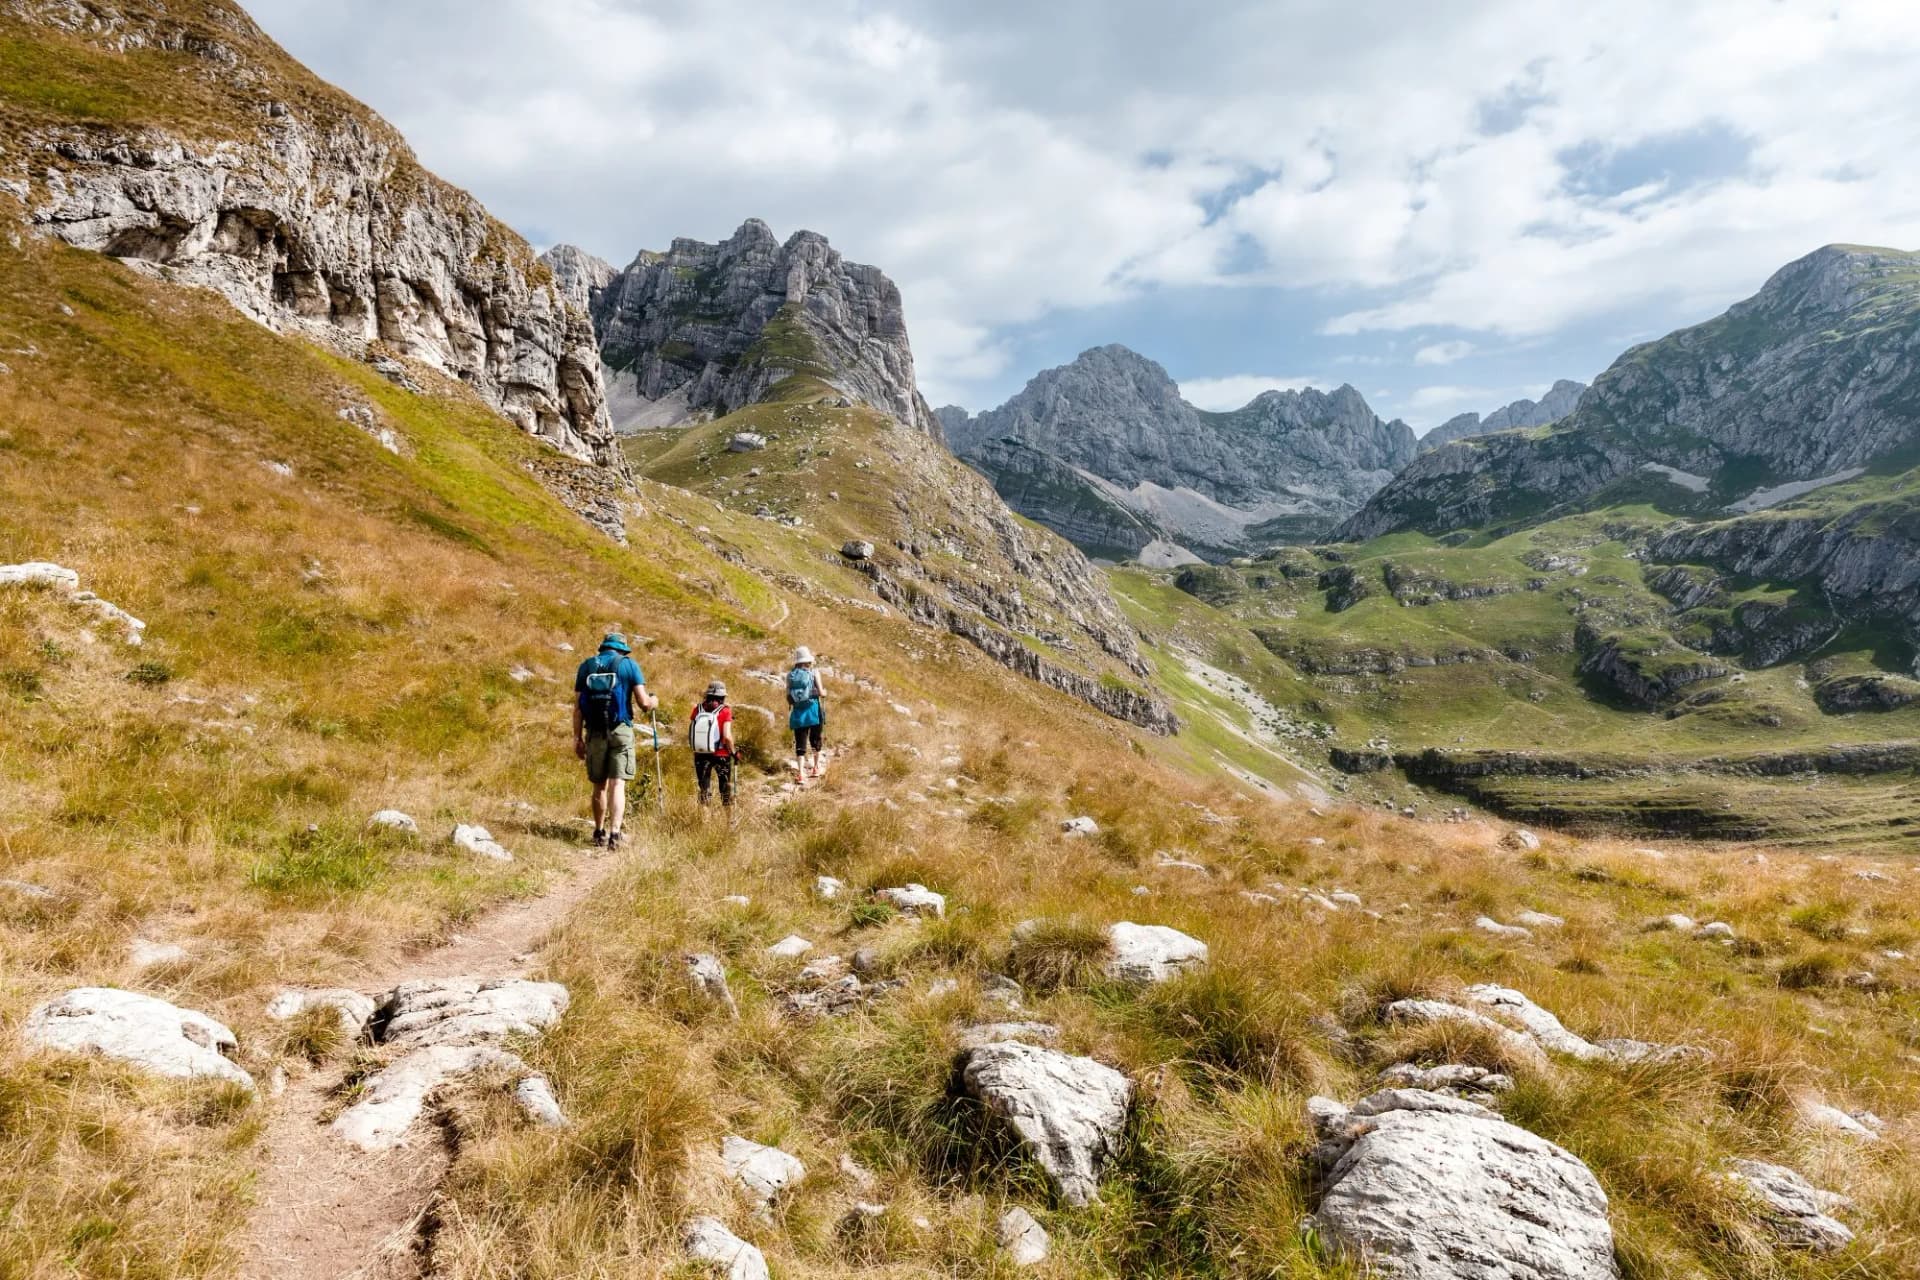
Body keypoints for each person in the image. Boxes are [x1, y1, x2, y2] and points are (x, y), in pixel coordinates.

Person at [572, 631, 655, 850]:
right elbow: (644, 703)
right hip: (620, 729)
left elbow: (578, 708)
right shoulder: (629, 665)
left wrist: (577, 738)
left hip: (595, 731)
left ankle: (598, 832)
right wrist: (654, 701)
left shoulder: (587, 666)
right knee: (618, 783)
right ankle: (615, 834)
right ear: (622, 649)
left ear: (604, 647)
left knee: (599, 785)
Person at [688, 679, 737, 819]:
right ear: (723, 696)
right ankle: (730, 824)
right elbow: (727, 736)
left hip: (700, 753)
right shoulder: (725, 710)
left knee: (704, 790)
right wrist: (733, 753)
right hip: (721, 755)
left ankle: (705, 824)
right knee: (725, 789)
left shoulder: (697, 709)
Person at [786, 645, 826, 781]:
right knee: (815, 739)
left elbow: (788, 698)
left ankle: (801, 774)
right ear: (808, 660)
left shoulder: (790, 675)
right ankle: (815, 768)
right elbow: (821, 692)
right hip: (814, 711)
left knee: (800, 742)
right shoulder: (814, 672)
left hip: (798, 713)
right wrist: (824, 693)